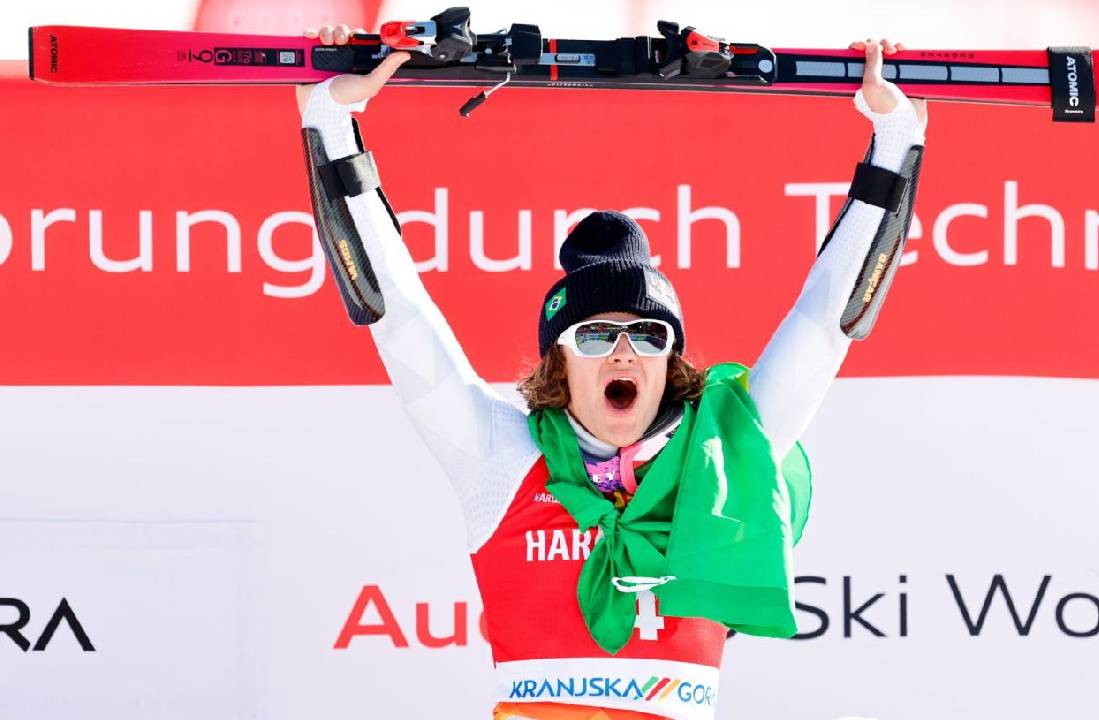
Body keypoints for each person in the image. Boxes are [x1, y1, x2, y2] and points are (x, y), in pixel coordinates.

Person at [297, 24, 925, 720]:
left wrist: (894, 137)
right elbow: (396, 314)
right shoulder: (500, 457)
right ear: (559, 361)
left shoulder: (723, 455)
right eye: (595, 335)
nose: (623, 353)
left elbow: (828, 319)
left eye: (647, 335)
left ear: (671, 360)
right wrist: (333, 123)